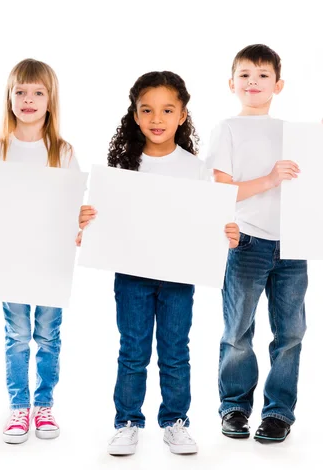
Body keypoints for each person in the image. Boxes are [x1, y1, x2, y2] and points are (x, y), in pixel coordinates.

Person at [77, 71, 240, 455]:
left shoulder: (197, 168)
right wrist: (87, 220)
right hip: (132, 275)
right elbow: (106, 222)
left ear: (182, 115)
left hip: (178, 276)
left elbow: (207, 223)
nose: (156, 118)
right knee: (133, 349)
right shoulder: (122, 168)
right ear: (134, 115)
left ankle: (175, 421)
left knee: (175, 349)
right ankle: (128, 422)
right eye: (147, 110)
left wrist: (226, 233)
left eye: (167, 110)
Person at [206, 44, 323, 443]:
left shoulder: (291, 131)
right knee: (238, 331)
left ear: (278, 84)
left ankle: (278, 413)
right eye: (245, 75)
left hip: (292, 244)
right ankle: (234, 407)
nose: (254, 81)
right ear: (231, 83)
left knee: (290, 333)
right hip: (247, 243)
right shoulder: (227, 128)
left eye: (263, 75)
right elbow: (219, 190)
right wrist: (269, 179)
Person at [0, 58, 79, 444]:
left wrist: (81, 225)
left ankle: (44, 405)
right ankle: (19, 406)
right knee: (17, 334)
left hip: (50, 260)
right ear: (9, 99)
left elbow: (71, 207)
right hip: (10, 260)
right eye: (20, 92)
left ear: (50, 100)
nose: (28, 99)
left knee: (48, 334)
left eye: (37, 92)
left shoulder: (62, 150)